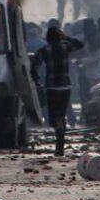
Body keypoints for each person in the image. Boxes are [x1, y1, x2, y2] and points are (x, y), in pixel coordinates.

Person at [31, 27, 84, 156]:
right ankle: (60, 145)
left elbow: (34, 68)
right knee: (62, 113)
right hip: (65, 86)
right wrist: (65, 37)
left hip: (51, 87)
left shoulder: (44, 50)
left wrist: (37, 81)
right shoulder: (66, 47)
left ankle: (58, 134)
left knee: (53, 117)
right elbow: (80, 44)